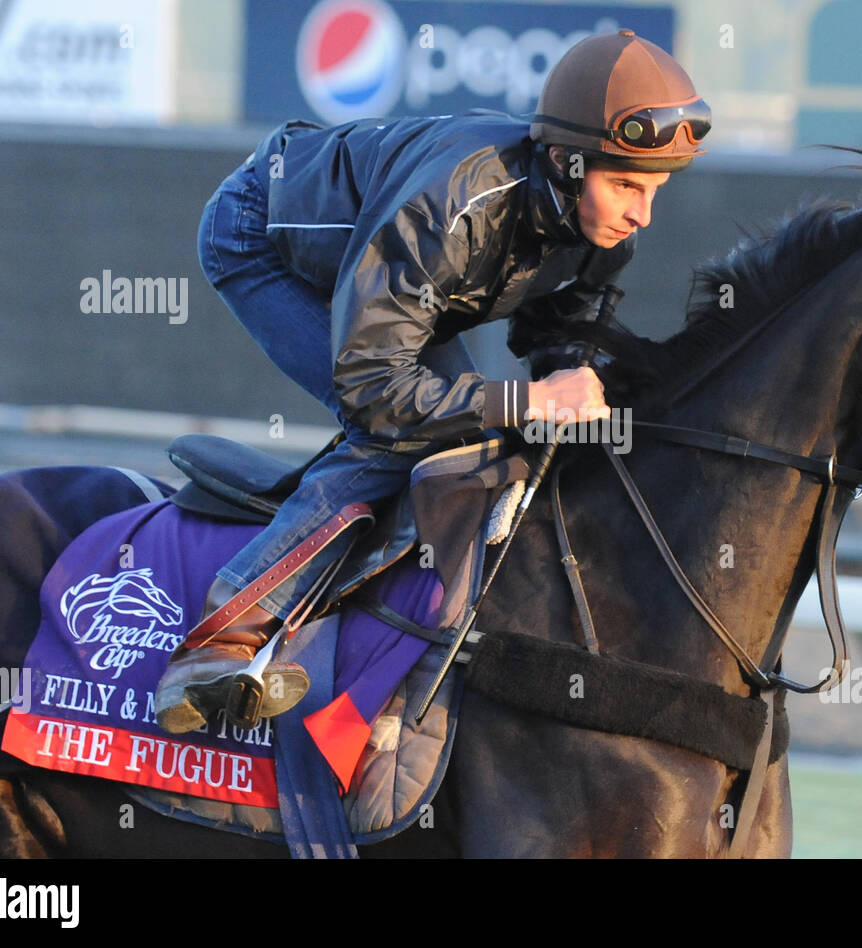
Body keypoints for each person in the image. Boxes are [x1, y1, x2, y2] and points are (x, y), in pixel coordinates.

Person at [156, 29, 711, 734]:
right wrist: (530, 400)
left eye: (654, 187)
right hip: (264, 241)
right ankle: (220, 644)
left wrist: (573, 380)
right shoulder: (455, 201)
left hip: (397, 282)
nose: (642, 212)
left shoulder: (604, 227)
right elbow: (376, 390)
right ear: (567, 165)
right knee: (399, 436)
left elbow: (563, 330)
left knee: (476, 430)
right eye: (626, 185)